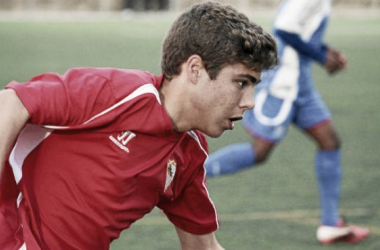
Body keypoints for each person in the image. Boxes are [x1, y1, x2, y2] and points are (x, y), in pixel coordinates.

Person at [0, 2, 278, 250]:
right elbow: (10, 103)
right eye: (241, 83)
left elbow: (203, 246)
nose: (250, 102)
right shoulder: (118, 93)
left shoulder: (187, 155)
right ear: (195, 70)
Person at [205, 0, 370, 245]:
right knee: (259, 152)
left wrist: (326, 50)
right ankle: (193, 173)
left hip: (302, 85)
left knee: (330, 142)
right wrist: (322, 55)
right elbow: (283, 28)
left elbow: (301, 31)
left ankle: (330, 223)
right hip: (283, 85)